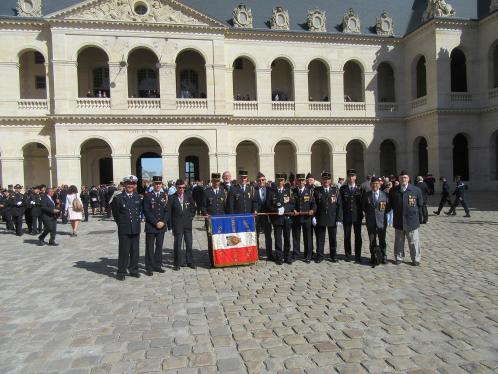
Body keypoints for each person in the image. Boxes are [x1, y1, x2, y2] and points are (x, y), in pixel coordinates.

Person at [111, 175, 142, 281]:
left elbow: (139, 211)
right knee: (124, 251)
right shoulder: (118, 198)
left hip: (135, 228)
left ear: (134, 185)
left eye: (132, 184)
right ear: (124, 185)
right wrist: (122, 223)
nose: (130, 185)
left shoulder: (137, 197)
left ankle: (133, 269)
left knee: (135, 250)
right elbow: (116, 214)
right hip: (124, 228)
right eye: (128, 184)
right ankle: (121, 271)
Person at [389, 170, 424, 266]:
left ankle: (416, 259)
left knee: (413, 241)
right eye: (401, 178)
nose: (403, 179)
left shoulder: (416, 190)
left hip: (412, 220)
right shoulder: (394, 190)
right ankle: (399, 257)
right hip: (399, 220)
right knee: (399, 241)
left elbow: (420, 204)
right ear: (399, 179)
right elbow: (390, 204)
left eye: (405, 177)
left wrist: (419, 218)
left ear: (408, 179)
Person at [313, 172, 342, 263]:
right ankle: (320, 255)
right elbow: (314, 204)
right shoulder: (317, 191)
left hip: (332, 218)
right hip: (320, 217)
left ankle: (333, 255)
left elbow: (339, 206)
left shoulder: (335, 191)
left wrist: (339, 219)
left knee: (333, 238)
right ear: (321, 180)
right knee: (320, 238)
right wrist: (313, 216)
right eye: (324, 179)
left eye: (328, 179)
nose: (326, 181)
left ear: (330, 180)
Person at [143, 176, 169, 276]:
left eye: (159, 184)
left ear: (161, 184)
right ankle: (149, 267)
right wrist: (155, 222)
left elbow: (167, 211)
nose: (158, 185)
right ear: (153, 184)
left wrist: (163, 222)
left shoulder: (164, 196)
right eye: (156, 184)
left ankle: (158, 265)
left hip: (162, 225)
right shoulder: (148, 195)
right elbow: (146, 211)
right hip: (151, 226)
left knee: (159, 246)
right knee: (149, 247)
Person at [168, 179, 196, 270]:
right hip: (177, 225)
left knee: (189, 243)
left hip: (187, 224)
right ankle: (177, 263)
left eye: (183, 187)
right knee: (177, 245)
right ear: (176, 187)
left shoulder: (189, 196)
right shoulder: (172, 197)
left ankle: (190, 261)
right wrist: (170, 227)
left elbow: (193, 208)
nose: (182, 189)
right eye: (180, 188)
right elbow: (169, 213)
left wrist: (191, 217)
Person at [362, 177, 389, 267]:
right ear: (370, 185)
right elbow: (364, 207)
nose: (375, 185)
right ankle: (373, 256)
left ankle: (383, 256)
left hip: (381, 221)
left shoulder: (384, 195)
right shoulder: (366, 195)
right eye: (373, 184)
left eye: (377, 183)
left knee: (382, 240)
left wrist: (381, 215)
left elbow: (388, 208)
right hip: (371, 221)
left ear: (380, 184)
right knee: (372, 240)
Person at [268, 173, 294, 265]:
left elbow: (291, 204)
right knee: (278, 239)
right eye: (278, 180)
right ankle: (279, 257)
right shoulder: (271, 192)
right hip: (277, 219)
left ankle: (287, 256)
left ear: (284, 181)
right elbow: (268, 205)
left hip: (286, 218)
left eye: (281, 180)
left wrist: (285, 209)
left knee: (287, 238)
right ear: (276, 181)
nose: (280, 182)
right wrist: (277, 209)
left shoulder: (288, 191)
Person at [202, 173, 227, 266]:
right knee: (211, 241)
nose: (216, 183)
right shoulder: (206, 192)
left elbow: (225, 207)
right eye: (214, 181)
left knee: (221, 240)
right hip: (211, 221)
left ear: (219, 181)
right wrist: (206, 215)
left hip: (221, 221)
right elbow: (203, 206)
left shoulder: (223, 192)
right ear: (211, 181)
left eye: (217, 181)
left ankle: (221, 259)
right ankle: (212, 261)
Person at [339, 169, 363, 263]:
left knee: (358, 236)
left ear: (355, 177)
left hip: (357, 216)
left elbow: (362, 203)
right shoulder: (343, 189)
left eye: (353, 176)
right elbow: (340, 204)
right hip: (347, 216)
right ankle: (348, 255)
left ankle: (358, 255)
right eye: (349, 176)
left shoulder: (360, 188)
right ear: (347, 177)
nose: (351, 178)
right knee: (347, 236)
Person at [291, 174, 316, 263]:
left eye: (302, 180)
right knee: (296, 237)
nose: (301, 182)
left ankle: (308, 255)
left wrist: (312, 210)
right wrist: (293, 209)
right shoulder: (293, 191)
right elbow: (290, 203)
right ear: (296, 181)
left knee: (308, 237)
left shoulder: (309, 191)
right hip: (296, 218)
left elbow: (314, 204)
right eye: (299, 180)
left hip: (306, 218)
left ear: (305, 181)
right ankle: (296, 254)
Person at [253, 172, 273, 261]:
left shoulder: (270, 190)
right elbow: (253, 202)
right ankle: (256, 254)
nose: (261, 181)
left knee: (268, 236)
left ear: (265, 180)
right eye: (259, 180)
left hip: (267, 216)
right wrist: (255, 210)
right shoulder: (253, 190)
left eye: (263, 180)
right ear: (257, 181)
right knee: (255, 235)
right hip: (257, 216)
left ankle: (269, 254)